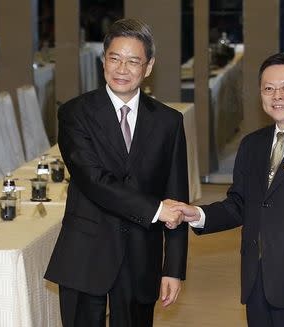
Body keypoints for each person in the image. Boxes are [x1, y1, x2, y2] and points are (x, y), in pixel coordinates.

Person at [171, 52, 284, 327]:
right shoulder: (251, 145)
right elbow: (239, 205)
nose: (277, 95)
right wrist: (196, 214)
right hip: (257, 284)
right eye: (268, 89)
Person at [45, 18, 189, 327]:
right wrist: (155, 209)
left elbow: (177, 198)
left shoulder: (169, 122)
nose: (122, 69)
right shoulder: (75, 113)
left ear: (148, 67)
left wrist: (173, 268)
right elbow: (92, 180)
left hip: (141, 259)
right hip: (86, 254)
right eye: (115, 58)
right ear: (103, 61)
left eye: (133, 61)